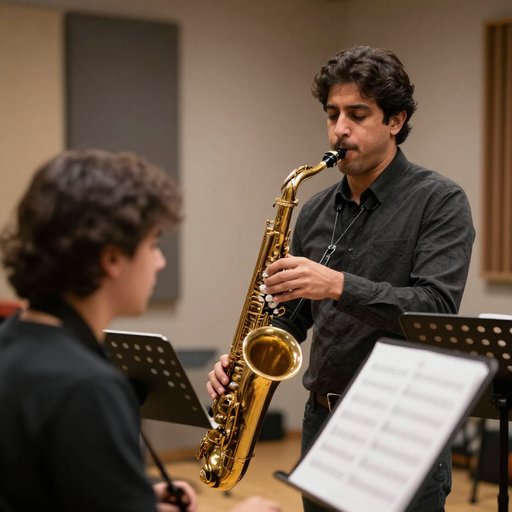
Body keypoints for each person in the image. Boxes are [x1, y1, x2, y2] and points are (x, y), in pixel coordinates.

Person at [207, 45, 475, 512]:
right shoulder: (314, 209)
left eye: (357, 114)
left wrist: (337, 285)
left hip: (401, 428)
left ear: (395, 121)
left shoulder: (440, 201)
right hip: (324, 421)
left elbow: (436, 308)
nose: (339, 129)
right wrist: (244, 362)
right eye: (332, 114)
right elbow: (292, 316)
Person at [0, 149, 281, 512]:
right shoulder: (88, 387)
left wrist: (137, 495)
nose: (160, 262)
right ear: (112, 259)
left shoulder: (10, 341)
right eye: (153, 245)